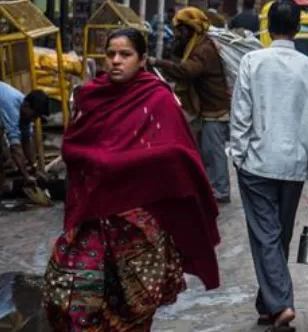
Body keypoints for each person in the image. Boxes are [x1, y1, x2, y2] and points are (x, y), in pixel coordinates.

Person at [44, 28, 220, 331]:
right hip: (93, 218)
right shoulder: (90, 96)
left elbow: (178, 153)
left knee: (136, 305)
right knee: (71, 297)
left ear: (142, 60)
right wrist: (100, 159)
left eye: (125, 54)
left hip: (140, 223)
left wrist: (120, 161)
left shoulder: (159, 99)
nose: (115, 60)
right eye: (110, 54)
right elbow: (73, 148)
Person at [229, 0, 308, 331]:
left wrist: (238, 155)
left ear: (268, 28)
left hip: (256, 163)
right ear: (297, 28)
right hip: (294, 165)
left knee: (266, 236)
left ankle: (281, 303)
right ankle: (268, 304)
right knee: (277, 235)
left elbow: (241, 114)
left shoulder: (252, 62)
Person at [151, 8, 232, 203]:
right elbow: (179, 56)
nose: (178, 34)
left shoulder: (204, 50)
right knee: (205, 151)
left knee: (213, 152)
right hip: (206, 109)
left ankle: (221, 190)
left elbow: (187, 71)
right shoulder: (197, 45)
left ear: (191, 29)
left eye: (181, 30)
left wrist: (157, 62)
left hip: (215, 110)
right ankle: (210, 186)